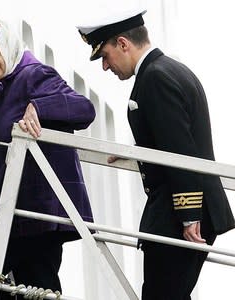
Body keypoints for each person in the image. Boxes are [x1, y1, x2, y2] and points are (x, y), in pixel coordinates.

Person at [77, 8, 235, 300]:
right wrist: (136, 153)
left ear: (123, 43)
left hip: (179, 213)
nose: (105, 67)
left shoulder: (155, 78)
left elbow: (180, 149)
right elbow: (175, 135)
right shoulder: (171, 70)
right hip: (186, 208)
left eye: (105, 55)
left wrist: (189, 215)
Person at [0, 16, 96, 298]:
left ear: (8, 46)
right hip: (22, 214)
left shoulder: (33, 75)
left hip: (39, 213)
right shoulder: (1, 95)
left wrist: (39, 106)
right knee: (30, 287)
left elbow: (84, 109)